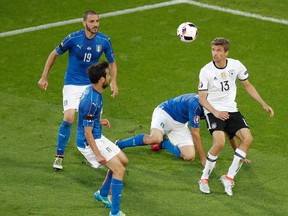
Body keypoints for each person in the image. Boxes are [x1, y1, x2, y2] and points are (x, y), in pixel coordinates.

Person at [38, 10, 118, 170]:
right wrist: (44, 76)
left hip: (92, 85)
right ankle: (59, 156)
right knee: (68, 117)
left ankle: (92, 156)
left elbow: (112, 62)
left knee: (94, 122)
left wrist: (114, 82)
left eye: (97, 21)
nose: (95, 24)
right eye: (92, 22)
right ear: (84, 23)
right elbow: (53, 54)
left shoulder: (104, 40)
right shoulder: (73, 39)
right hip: (72, 83)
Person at [198, 37, 274, 196]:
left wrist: (263, 103)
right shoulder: (206, 71)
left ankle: (229, 177)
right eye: (213, 50)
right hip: (213, 110)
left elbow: (247, 84)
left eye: (219, 50)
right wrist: (216, 112)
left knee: (248, 139)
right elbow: (202, 99)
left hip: (231, 109)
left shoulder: (236, 65)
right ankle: (204, 178)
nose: (215, 53)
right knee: (219, 143)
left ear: (226, 52)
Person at [76, 61, 127, 216]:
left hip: (97, 135)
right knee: (119, 169)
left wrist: (99, 120)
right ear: (101, 80)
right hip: (89, 142)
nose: (110, 76)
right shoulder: (91, 101)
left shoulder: (94, 92)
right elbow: (87, 133)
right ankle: (115, 212)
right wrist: (97, 154)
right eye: (107, 74)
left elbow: (87, 120)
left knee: (123, 160)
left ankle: (102, 194)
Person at [116, 93, 207, 166]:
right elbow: (195, 133)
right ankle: (119, 144)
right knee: (155, 138)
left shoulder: (215, 107)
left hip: (180, 125)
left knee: (189, 156)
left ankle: (164, 143)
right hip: (164, 114)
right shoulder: (196, 104)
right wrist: (203, 158)